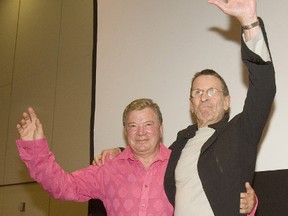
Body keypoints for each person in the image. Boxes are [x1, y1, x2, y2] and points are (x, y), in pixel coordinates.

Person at [94, 0, 276, 215]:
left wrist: (249, 22)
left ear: (227, 101)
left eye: (212, 91)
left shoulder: (240, 132)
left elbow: (264, 87)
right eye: (198, 93)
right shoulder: (181, 143)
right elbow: (153, 159)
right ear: (191, 104)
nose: (204, 98)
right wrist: (122, 151)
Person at [16, 99, 256, 216]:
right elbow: (62, 187)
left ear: (161, 129)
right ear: (125, 131)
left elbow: (217, 201)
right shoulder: (107, 167)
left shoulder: (181, 165)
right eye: (133, 126)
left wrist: (251, 205)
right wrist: (35, 148)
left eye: (148, 124)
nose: (141, 132)